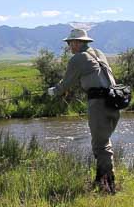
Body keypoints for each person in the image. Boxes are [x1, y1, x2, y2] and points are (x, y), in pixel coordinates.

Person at [47, 28, 121, 193]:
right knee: (102, 142)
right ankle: (101, 182)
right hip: (114, 102)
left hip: (99, 105)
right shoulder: (99, 53)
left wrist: (53, 91)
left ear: (78, 42)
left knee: (101, 146)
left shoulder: (78, 58)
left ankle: (108, 187)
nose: (69, 47)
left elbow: (66, 84)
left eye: (70, 43)